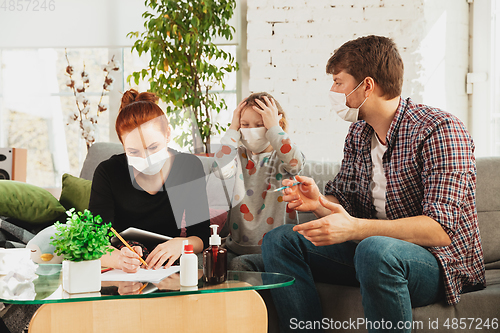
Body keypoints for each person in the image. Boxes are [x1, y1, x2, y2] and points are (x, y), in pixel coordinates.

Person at [261, 35, 485, 332]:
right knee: (281, 240)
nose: (332, 91)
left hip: (436, 263)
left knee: (374, 249)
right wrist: (319, 203)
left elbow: (440, 230)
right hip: (373, 253)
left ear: (367, 85)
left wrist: (357, 228)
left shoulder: (439, 129)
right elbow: (345, 204)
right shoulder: (358, 134)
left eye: (338, 82)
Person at [89, 89, 210, 273]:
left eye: (153, 148)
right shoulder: (108, 172)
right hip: (123, 266)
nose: (146, 159)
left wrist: (179, 244)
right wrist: (119, 259)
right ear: (123, 145)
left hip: (166, 266)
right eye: (134, 152)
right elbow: (95, 242)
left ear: (168, 134)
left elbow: (201, 237)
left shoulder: (188, 167)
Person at [213, 92, 305, 271]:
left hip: (276, 249)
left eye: (260, 124)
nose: (251, 130)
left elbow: (296, 163)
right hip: (236, 247)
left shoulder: (282, 157)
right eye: (245, 125)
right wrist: (233, 128)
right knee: (203, 264)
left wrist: (274, 129)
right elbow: (219, 170)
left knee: (239, 265)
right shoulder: (236, 156)